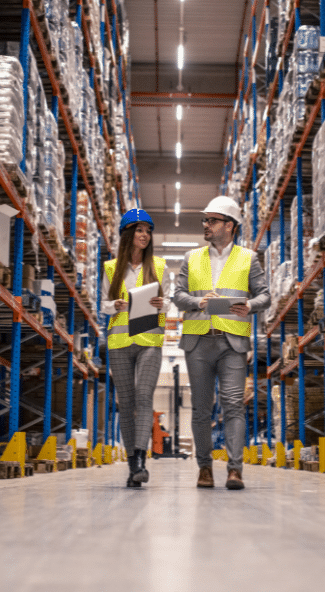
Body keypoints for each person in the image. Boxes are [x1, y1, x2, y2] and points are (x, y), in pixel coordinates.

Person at [172, 196, 270, 490]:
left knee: (232, 406)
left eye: (212, 220)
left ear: (230, 226)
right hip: (198, 341)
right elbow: (177, 295)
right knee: (202, 409)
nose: (206, 225)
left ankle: (234, 470)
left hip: (232, 343)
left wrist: (250, 306)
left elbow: (265, 295)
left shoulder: (248, 258)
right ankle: (204, 469)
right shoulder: (191, 258)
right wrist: (198, 302)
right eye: (205, 220)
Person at [102, 208, 171, 488]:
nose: (145, 235)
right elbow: (103, 306)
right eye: (140, 230)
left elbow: (168, 301)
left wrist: (161, 304)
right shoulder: (110, 267)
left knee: (144, 397)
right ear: (127, 234)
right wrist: (114, 305)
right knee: (126, 403)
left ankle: (141, 461)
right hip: (119, 342)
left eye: (148, 230)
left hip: (149, 340)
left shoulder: (160, 266)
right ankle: (133, 466)